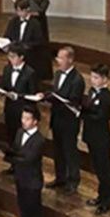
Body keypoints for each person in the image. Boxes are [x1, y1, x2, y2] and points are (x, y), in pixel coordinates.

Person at [48, 45, 85, 193]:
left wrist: (57, 99)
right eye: (57, 57)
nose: (58, 60)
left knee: (70, 152)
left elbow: (74, 101)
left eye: (61, 58)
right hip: (57, 118)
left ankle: (73, 181)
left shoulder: (77, 80)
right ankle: (60, 177)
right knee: (58, 150)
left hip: (69, 122)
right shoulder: (58, 74)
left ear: (70, 60)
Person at [82, 64, 110, 214]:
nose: (92, 80)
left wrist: (82, 114)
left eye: (96, 77)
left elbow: (100, 117)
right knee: (97, 168)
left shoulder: (106, 97)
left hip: (101, 138)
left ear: (104, 79)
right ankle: (101, 196)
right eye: (92, 76)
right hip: (91, 136)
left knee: (104, 170)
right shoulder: (92, 91)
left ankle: (107, 200)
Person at [1, 43, 39, 171]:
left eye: (13, 56)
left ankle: (21, 164)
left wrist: (18, 96)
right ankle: (13, 164)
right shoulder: (7, 69)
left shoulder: (30, 73)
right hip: (9, 108)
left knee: (21, 138)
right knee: (11, 136)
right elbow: (4, 86)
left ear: (21, 57)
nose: (10, 59)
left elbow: (33, 94)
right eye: (9, 56)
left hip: (22, 111)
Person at [8, 106, 45, 217]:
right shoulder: (19, 132)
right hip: (20, 177)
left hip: (32, 181)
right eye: (23, 118)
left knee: (34, 210)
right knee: (23, 207)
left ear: (35, 121)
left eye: (27, 119)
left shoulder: (39, 140)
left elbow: (29, 159)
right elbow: (15, 149)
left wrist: (11, 158)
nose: (24, 121)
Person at [5, 0, 49, 81]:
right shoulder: (13, 21)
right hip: (15, 53)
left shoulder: (35, 23)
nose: (19, 13)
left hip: (29, 55)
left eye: (21, 11)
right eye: (17, 11)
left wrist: (25, 46)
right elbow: (7, 35)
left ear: (28, 9)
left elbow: (39, 41)